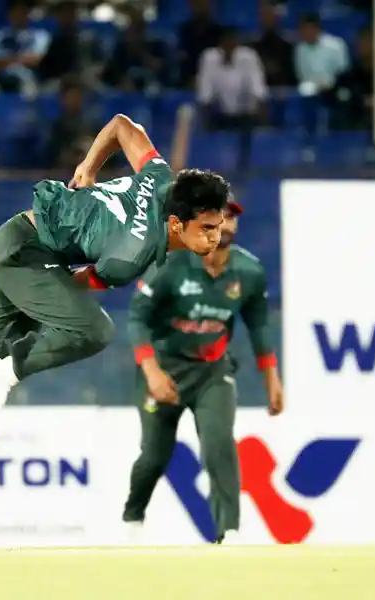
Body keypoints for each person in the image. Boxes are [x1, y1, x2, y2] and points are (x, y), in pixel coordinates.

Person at [0, 113, 231, 520]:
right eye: (207, 228)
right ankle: (0, 373)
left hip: (27, 243)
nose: (216, 236)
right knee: (94, 330)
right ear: (176, 223)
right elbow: (81, 288)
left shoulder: (159, 176)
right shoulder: (130, 256)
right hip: (26, 255)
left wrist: (88, 167)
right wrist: (30, 338)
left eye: (219, 226)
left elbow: (122, 126)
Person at [122, 201, 284, 544]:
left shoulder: (248, 271)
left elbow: (258, 327)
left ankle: (230, 533)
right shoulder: (170, 262)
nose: (222, 225)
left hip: (212, 372)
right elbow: (137, 318)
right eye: (213, 218)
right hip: (165, 370)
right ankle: (132, 519)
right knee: (155, 455)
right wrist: (151, 372)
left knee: (218, 445)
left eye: (229, 218)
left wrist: (272, 380)